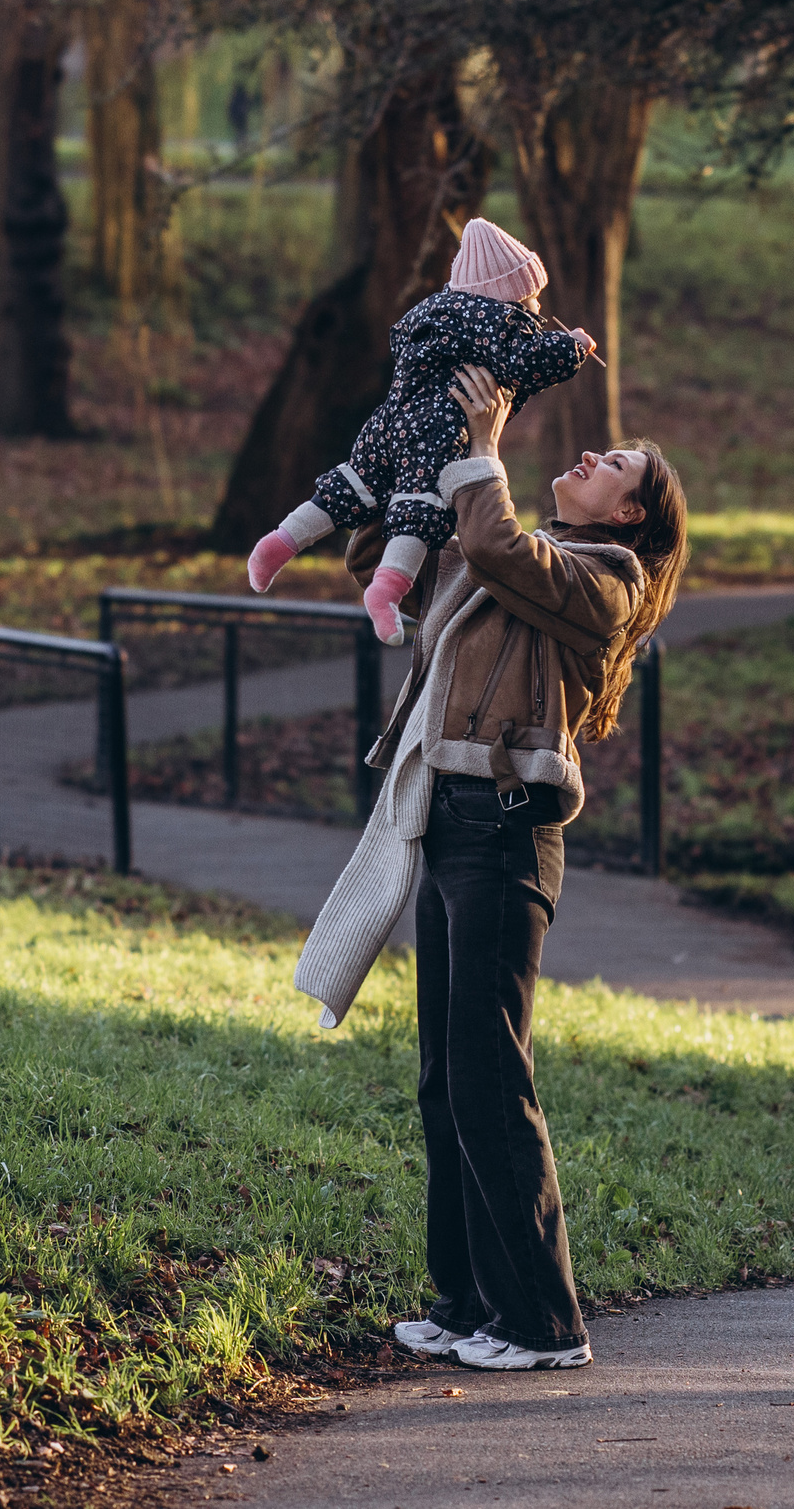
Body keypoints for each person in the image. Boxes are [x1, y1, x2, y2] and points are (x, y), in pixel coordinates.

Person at [291, 364, 687, 1372]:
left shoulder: (606, 581)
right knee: (443, 1077)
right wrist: (411, 465)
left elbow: (492, 541)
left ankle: (544, 1322)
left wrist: (485, 446)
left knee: (489, 1072)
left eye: (616, 466)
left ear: (631, 512)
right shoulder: (522, 556)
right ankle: (468, 1300)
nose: (591, 456)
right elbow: (412, 562)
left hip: (508, 833)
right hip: (451, 818)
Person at [244, 219, 597, 645]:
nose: (538, 308)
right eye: (533, 297)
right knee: (421, 505)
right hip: (436, 428)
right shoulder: (497, 319)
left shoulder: (435, 311)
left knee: (351, 484)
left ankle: (276, 546)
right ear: (509, 293)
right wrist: (573, 345)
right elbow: (526, 362)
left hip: (389, 420)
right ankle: (386, 593)